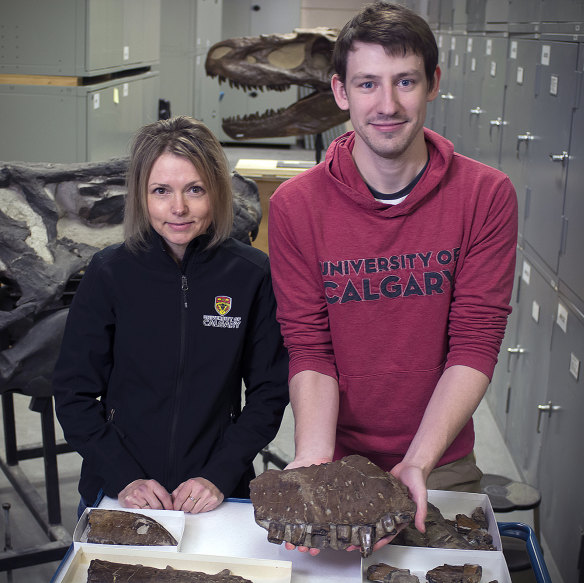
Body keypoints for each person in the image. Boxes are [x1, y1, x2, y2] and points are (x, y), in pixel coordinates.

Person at [268, 1, 517, 553]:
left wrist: (418, 462)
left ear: (432, 83)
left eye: (405, 81)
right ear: (340, 92)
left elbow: (475, 344)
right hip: (335, 456)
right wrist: (313, 465)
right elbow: (310, 348)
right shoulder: (295, 206)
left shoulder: (485, 196)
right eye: (367, 84)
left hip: (438, 460)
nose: (386, 104)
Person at [53, 116, 289, 516]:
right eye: (161, 191)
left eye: (194, 190)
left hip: (216, 492)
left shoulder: (252, 274)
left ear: (216, 191)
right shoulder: (108, 272)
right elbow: (73, 393)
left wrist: (219, 473)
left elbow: (269, 393)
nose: (178, 208)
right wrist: (122, 475)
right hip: (120, 491)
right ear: (141, 196)